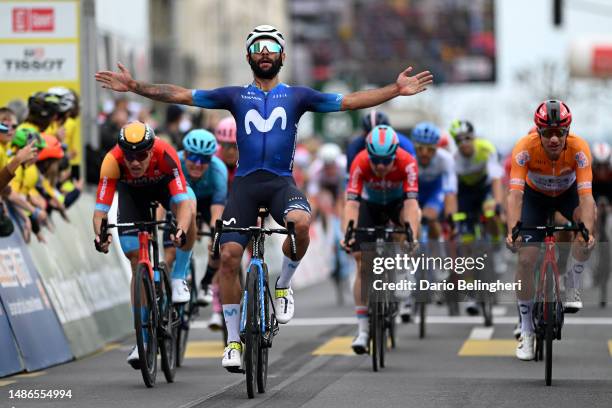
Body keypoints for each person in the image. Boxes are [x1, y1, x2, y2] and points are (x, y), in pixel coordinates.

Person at [95, 24, 433, 372]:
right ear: (249, 57)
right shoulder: (234, 96)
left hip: (280, 184)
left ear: (282, 56)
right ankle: (231, 342)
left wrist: (394, 90)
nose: (266, 53)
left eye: (272, 47)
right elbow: (182, 95)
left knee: (300, 223)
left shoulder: (299, 96)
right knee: (228, 257)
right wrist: (136, 87)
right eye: (259, 48)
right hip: (244, 185)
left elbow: (349, 101)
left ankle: (283, 285)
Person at [92, 121, 197, 368]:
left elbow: (181, 202)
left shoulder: (166, 154)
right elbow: (100, 212)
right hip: (132, 197)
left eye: (141, 155)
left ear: (151, 151)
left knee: (190, 207)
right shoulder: (112, 160)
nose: (135, 162)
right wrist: (100, 236)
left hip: (164, 190)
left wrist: (181, 229)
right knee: (135, 261)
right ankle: (143, 340)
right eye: (130, 156)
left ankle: (178, 276)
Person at [506, 100, 595, 361]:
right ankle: (526, 331)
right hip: (535, 198)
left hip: (567, 196)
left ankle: (573, 284)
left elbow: (587, 198)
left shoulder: (579, 149)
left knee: (588, 225)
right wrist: (513, 230)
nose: (554, 139)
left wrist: (587, 230)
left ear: (568, 131)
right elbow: (514, 196)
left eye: (560, 133)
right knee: (526, 259)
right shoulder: (524, 148)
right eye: (547, 133)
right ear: (538, 132)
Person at [340, 125, 421, 353]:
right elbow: (352, 203)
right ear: (369, 154)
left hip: (397, 204)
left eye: (387, 160)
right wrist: (349, 232)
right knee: (362, 262)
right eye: (376, 160)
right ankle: (363, 331)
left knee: (406, 229)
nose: (381, 166)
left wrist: (411, 233)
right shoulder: (360, 161)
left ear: (395, 153)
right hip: (371, 206)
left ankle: (404, 268)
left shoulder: (407, 162)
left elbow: (411, 204)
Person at [346, 109, 416, 171]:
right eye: (369, 133)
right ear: (364, 133)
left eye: (381, 134)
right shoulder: (354, 147)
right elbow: (350, 174)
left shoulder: (404, 143)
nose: (374, 138)